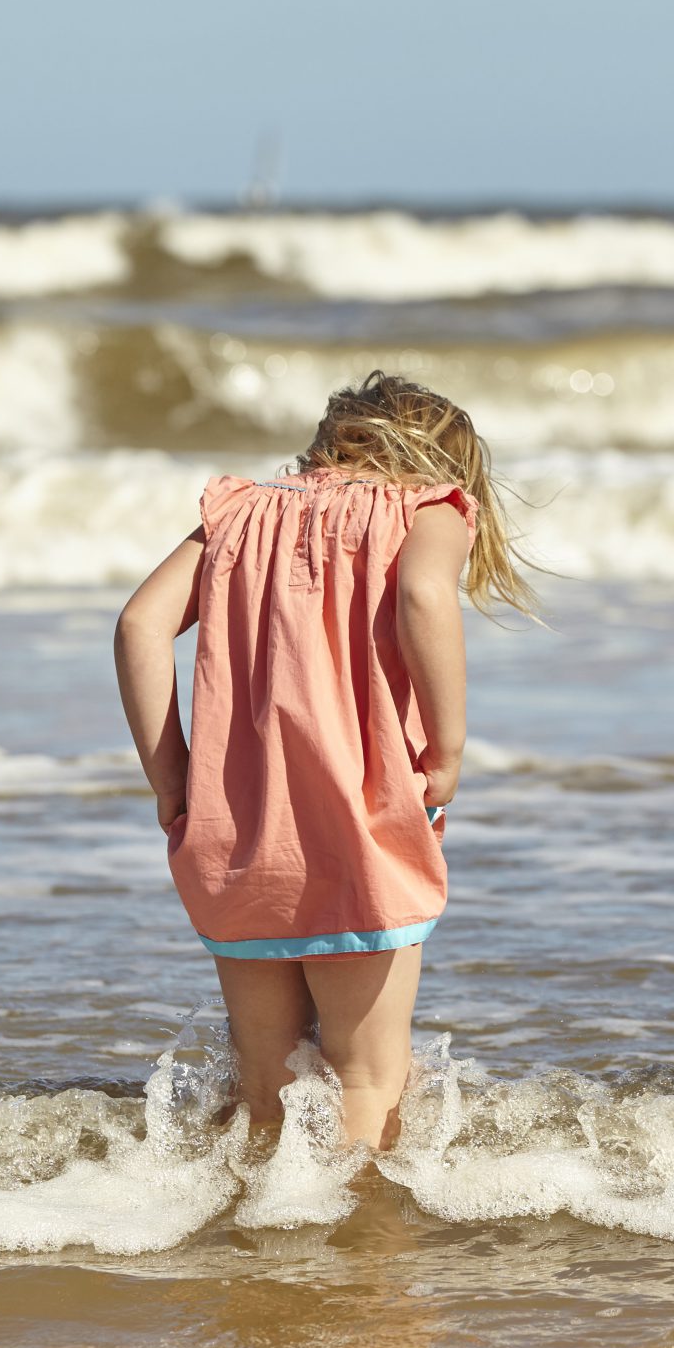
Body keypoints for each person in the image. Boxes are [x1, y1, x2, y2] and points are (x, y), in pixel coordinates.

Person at [114, 371, 533, 1149]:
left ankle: (266, 1242)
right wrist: (446, 747)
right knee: (368, 1073)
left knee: (266, 1077)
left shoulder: (238, 512)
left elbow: (140, 623)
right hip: (361, 824)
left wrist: (170, 775)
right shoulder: (428, 505)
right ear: (447, 462)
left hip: (235, 831)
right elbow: (422, 599)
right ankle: (356, 1252)